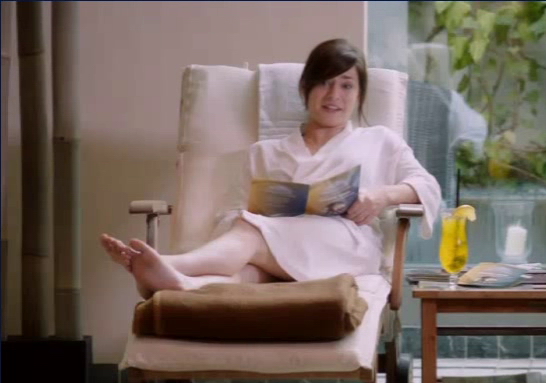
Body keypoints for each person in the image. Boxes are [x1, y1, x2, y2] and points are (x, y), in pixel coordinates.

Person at [101, 39, 442, 298]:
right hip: (274, 249)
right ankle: (183, 285)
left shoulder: (378, 141)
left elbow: (427, 186)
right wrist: (260, 215)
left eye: (346, 84)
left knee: (251, 233)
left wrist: (382, 196)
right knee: (249, 260)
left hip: (346, 247)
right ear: (305, 88)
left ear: (359, 94)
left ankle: (169, 263)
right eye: (324, 82)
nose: (334, 94)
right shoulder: (265, 153)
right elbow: (234, 212)